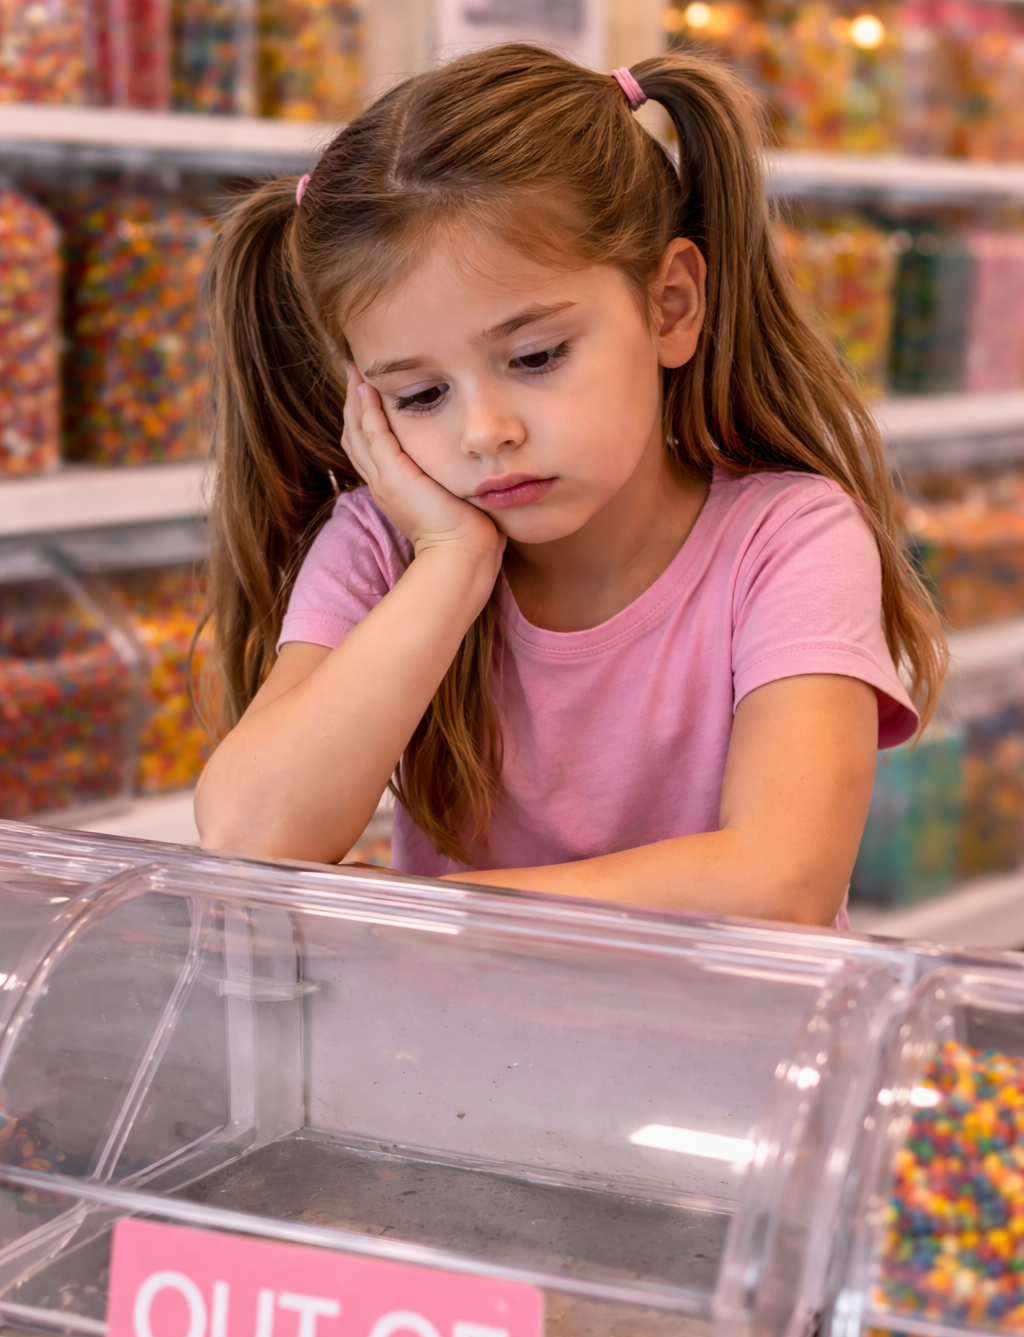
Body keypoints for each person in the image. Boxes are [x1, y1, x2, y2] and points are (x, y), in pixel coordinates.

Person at [194, 43, 946, 929]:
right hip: (468, 1063)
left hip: (723, 1065)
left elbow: (780, 883)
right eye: (420, 394)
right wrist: (449, 563)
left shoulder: (790, 539)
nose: (485, 432)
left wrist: (420, 910)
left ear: (670, 306)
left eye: (537, 356)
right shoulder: (383, 548)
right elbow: (248, 836)